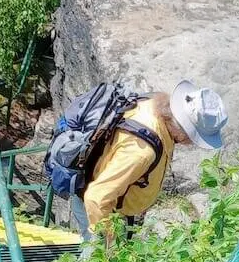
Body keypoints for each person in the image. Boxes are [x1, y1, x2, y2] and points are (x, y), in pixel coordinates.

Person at [72, 81, 228, 238]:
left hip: (117, 202)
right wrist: (108, 243)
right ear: (183, 131)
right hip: (98, 209)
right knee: (96, 250)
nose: (192, 143)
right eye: (195, 137)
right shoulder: (141, 152)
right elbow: (97, 197)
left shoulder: (154, 106)